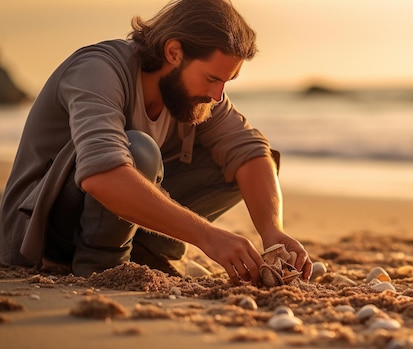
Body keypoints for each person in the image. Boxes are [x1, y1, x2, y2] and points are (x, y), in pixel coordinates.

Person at [0, 0, 312, 285]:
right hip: (41, 235)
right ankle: (101, 264)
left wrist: (273, 232)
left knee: (247, 164)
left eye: (226, 82)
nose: (218, 95)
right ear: (173, 52)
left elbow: (251, 151)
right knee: (138, 150)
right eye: (212, 79)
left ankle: (149, 252)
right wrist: (208, 237)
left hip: (120, 225)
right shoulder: (98, 70)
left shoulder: (197, 97)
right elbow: (101, 175)